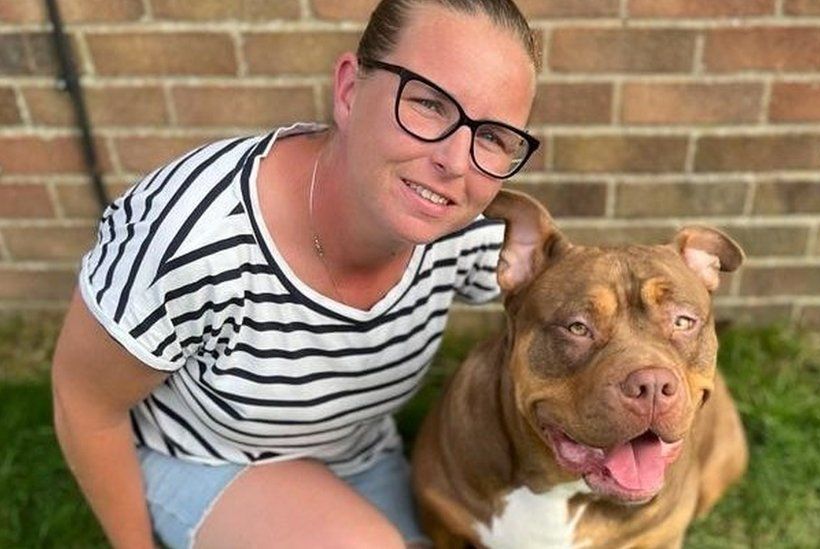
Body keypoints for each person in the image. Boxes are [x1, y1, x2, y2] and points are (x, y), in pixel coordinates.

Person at [50, 0, 539, 546]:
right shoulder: (192, 236)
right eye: (427, 103)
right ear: (351, 90)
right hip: (205, 455)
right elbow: (84, 403)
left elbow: (573, 308)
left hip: (356, 451)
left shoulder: (465, 227)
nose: (455, 160)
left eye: (493, 136)